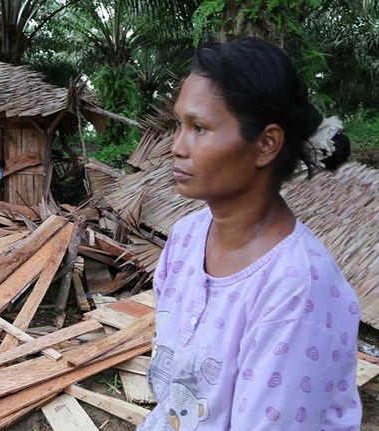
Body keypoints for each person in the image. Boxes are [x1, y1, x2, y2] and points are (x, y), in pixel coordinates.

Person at [139, 38, 360, 430]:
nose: (177, 147)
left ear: (265, 145)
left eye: (200, 128)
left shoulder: (298, 288)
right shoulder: (186, 239)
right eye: (180, 125)